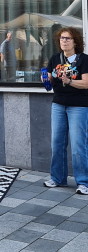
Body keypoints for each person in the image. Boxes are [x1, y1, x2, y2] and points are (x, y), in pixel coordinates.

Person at [43, 27, 88, 195]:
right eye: (62, 38)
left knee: (78, 145)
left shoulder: (84, 60)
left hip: (79, 106)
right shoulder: (55, 58)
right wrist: (46, 79)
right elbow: (49, 81)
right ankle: (58, 178)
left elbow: (86, 83)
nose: (64, 41)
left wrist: (69, 81)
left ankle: (84, 182)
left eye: (68, 38)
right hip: (58, 104)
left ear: (75, 41)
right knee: (57, 143)